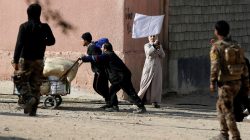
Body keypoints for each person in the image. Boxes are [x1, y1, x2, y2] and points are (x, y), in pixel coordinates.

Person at [12, 3, 55, 116]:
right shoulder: (45, 27)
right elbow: (52, 41)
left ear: (28, 14)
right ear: (39, 14)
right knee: (35, 84)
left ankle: (28, 98)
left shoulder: (24, 26)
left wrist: (15, 60)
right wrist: (42, 41)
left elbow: (19, 44)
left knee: (18, 79)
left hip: (25, 59)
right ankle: (32, 110)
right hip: (39, 60)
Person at [209, 20, 249, 140]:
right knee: (220, 106)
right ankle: (223, 133)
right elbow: (245, 65)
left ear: (216, 32)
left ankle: (235, 136)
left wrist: (212, 82)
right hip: (238, 82)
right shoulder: (236, 45)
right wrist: (246, 84)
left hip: (226, 84)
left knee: (228, 111)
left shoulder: (216, 47)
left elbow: (214, 66)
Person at [80, 42, 147, 113]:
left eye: (102, 48)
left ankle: (140, 107)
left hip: (121, 77)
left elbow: (96, 58)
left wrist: (85, 58)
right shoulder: (111, 54)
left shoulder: (107, 55)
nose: (101, 49)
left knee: (125, 92)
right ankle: (114, 106)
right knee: (115, 91)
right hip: (122, 76)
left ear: (105, 49)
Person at [81, 33, 110, 108]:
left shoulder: (92, 47)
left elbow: (96, 58)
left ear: (86, 40)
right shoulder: (91, 47)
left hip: (100, 71)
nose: (82, 42)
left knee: (98, 87)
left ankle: (110, 101)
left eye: (83, 40)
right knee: (99, 87)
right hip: (99, 71)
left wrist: (86, 59)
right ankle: (109, 102)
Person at [137, 35, 165, 108]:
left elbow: (163, 55)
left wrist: (159, 48)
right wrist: (155, 45)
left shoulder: (159, 45)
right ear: (148, 38)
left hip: (157, 68)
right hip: (149, 67)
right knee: (145, 82)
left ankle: (154, 101)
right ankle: (139, 99)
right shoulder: (147, 45)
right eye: (151, 36)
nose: (152, 38)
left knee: (156, 84)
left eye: (154, 36)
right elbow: (149, 53)